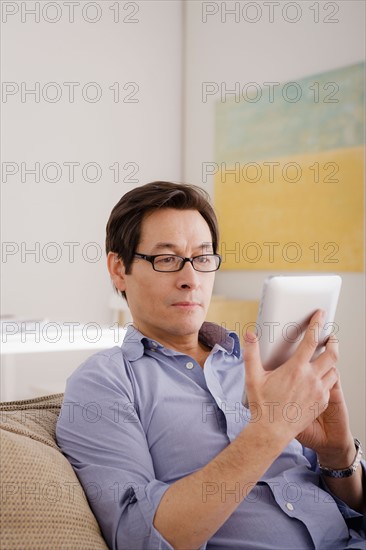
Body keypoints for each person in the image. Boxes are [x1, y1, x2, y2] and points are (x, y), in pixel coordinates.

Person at [56, 181, 365, 550]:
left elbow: (352, 506)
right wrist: (268, 431)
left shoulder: (259, 360)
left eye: (202, 258)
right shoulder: (104, 382)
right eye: (166, 259)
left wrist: (338, 456)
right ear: (119, 269)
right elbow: (138, 538)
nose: (190, 280)